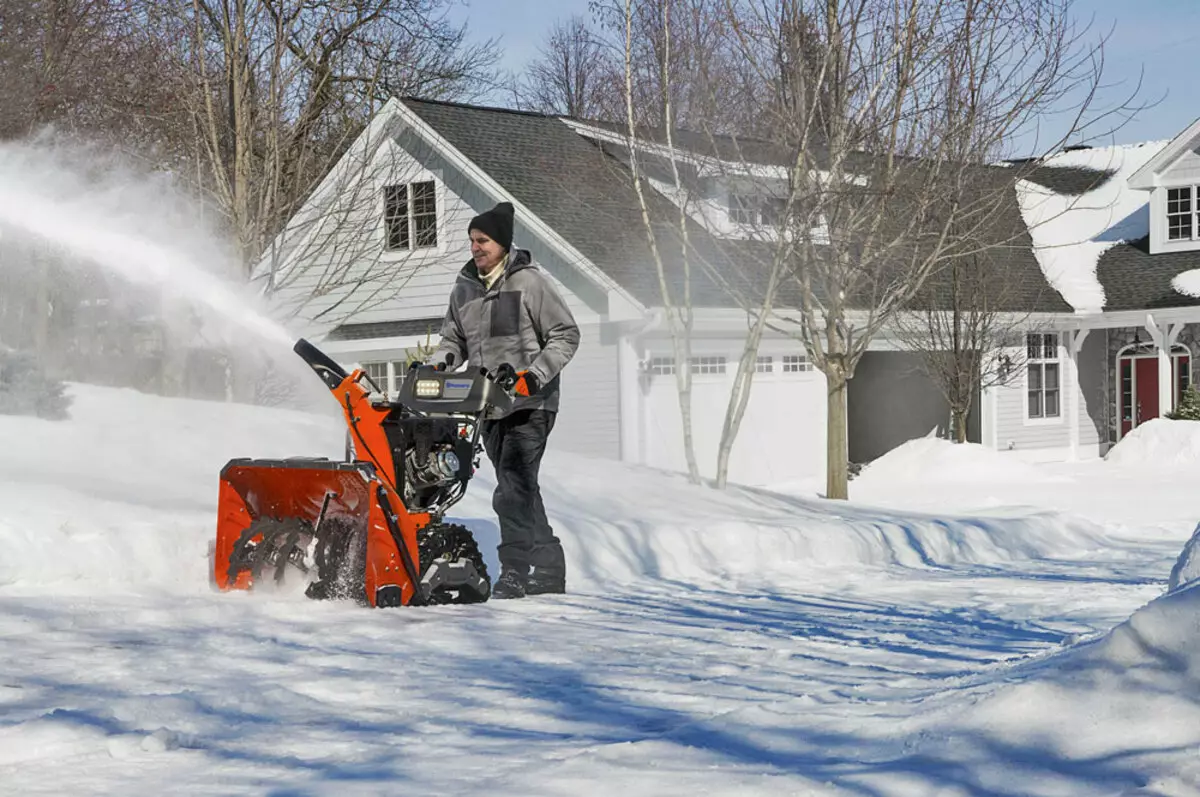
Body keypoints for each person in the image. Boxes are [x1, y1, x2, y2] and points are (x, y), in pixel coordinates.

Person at [430, 201, 580, 599]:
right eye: (472, 241)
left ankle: (513, 570)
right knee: (519, 487)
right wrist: (441, 364)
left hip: (531, 404)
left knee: (512, 484)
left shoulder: (529, 283)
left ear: (502, 244)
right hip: (487, 405)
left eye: (483, 241)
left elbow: (566, 334)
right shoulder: (464, 287)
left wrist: (534, 376)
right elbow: (453, 340)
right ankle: (549, 567)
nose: (475, 248)